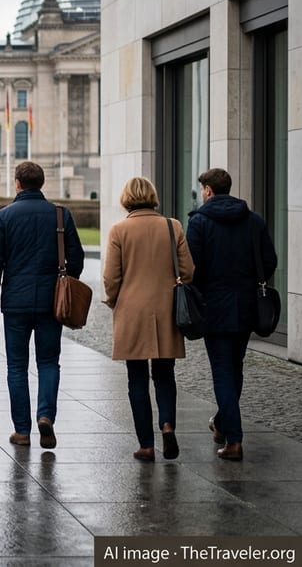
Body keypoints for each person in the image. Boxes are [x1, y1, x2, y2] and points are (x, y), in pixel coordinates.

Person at [0, 162, 84, 449]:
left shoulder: (4, 216)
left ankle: (22, 431)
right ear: (41, 184)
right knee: (49, 361)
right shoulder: (61, 215)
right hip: (52, 301)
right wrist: (64, 282)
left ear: (17, 184)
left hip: (15, 301)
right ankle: (45, 415)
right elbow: (75, 259)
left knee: (17, 366)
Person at [187, 168, 277, 462]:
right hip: (247, 306)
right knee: (234, 367)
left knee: (223, 371)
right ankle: (222, 423)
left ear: (209, 190)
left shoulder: (199, 223)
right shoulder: (254, 221)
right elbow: (270, 261)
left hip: (214, 307)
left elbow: (192, 269)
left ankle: (234, 439)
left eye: (202, 189)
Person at [102, 177, 194, 462]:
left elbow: (110, 277)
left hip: (132, 311)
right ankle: (167, 425)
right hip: (166, 309)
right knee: (165, 375)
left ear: (126, 199)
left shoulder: (120, 230)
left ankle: (146, 444)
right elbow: (188, 270)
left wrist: (113, 298)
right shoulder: (172, 225)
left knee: (137, 379)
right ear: (153, 197)